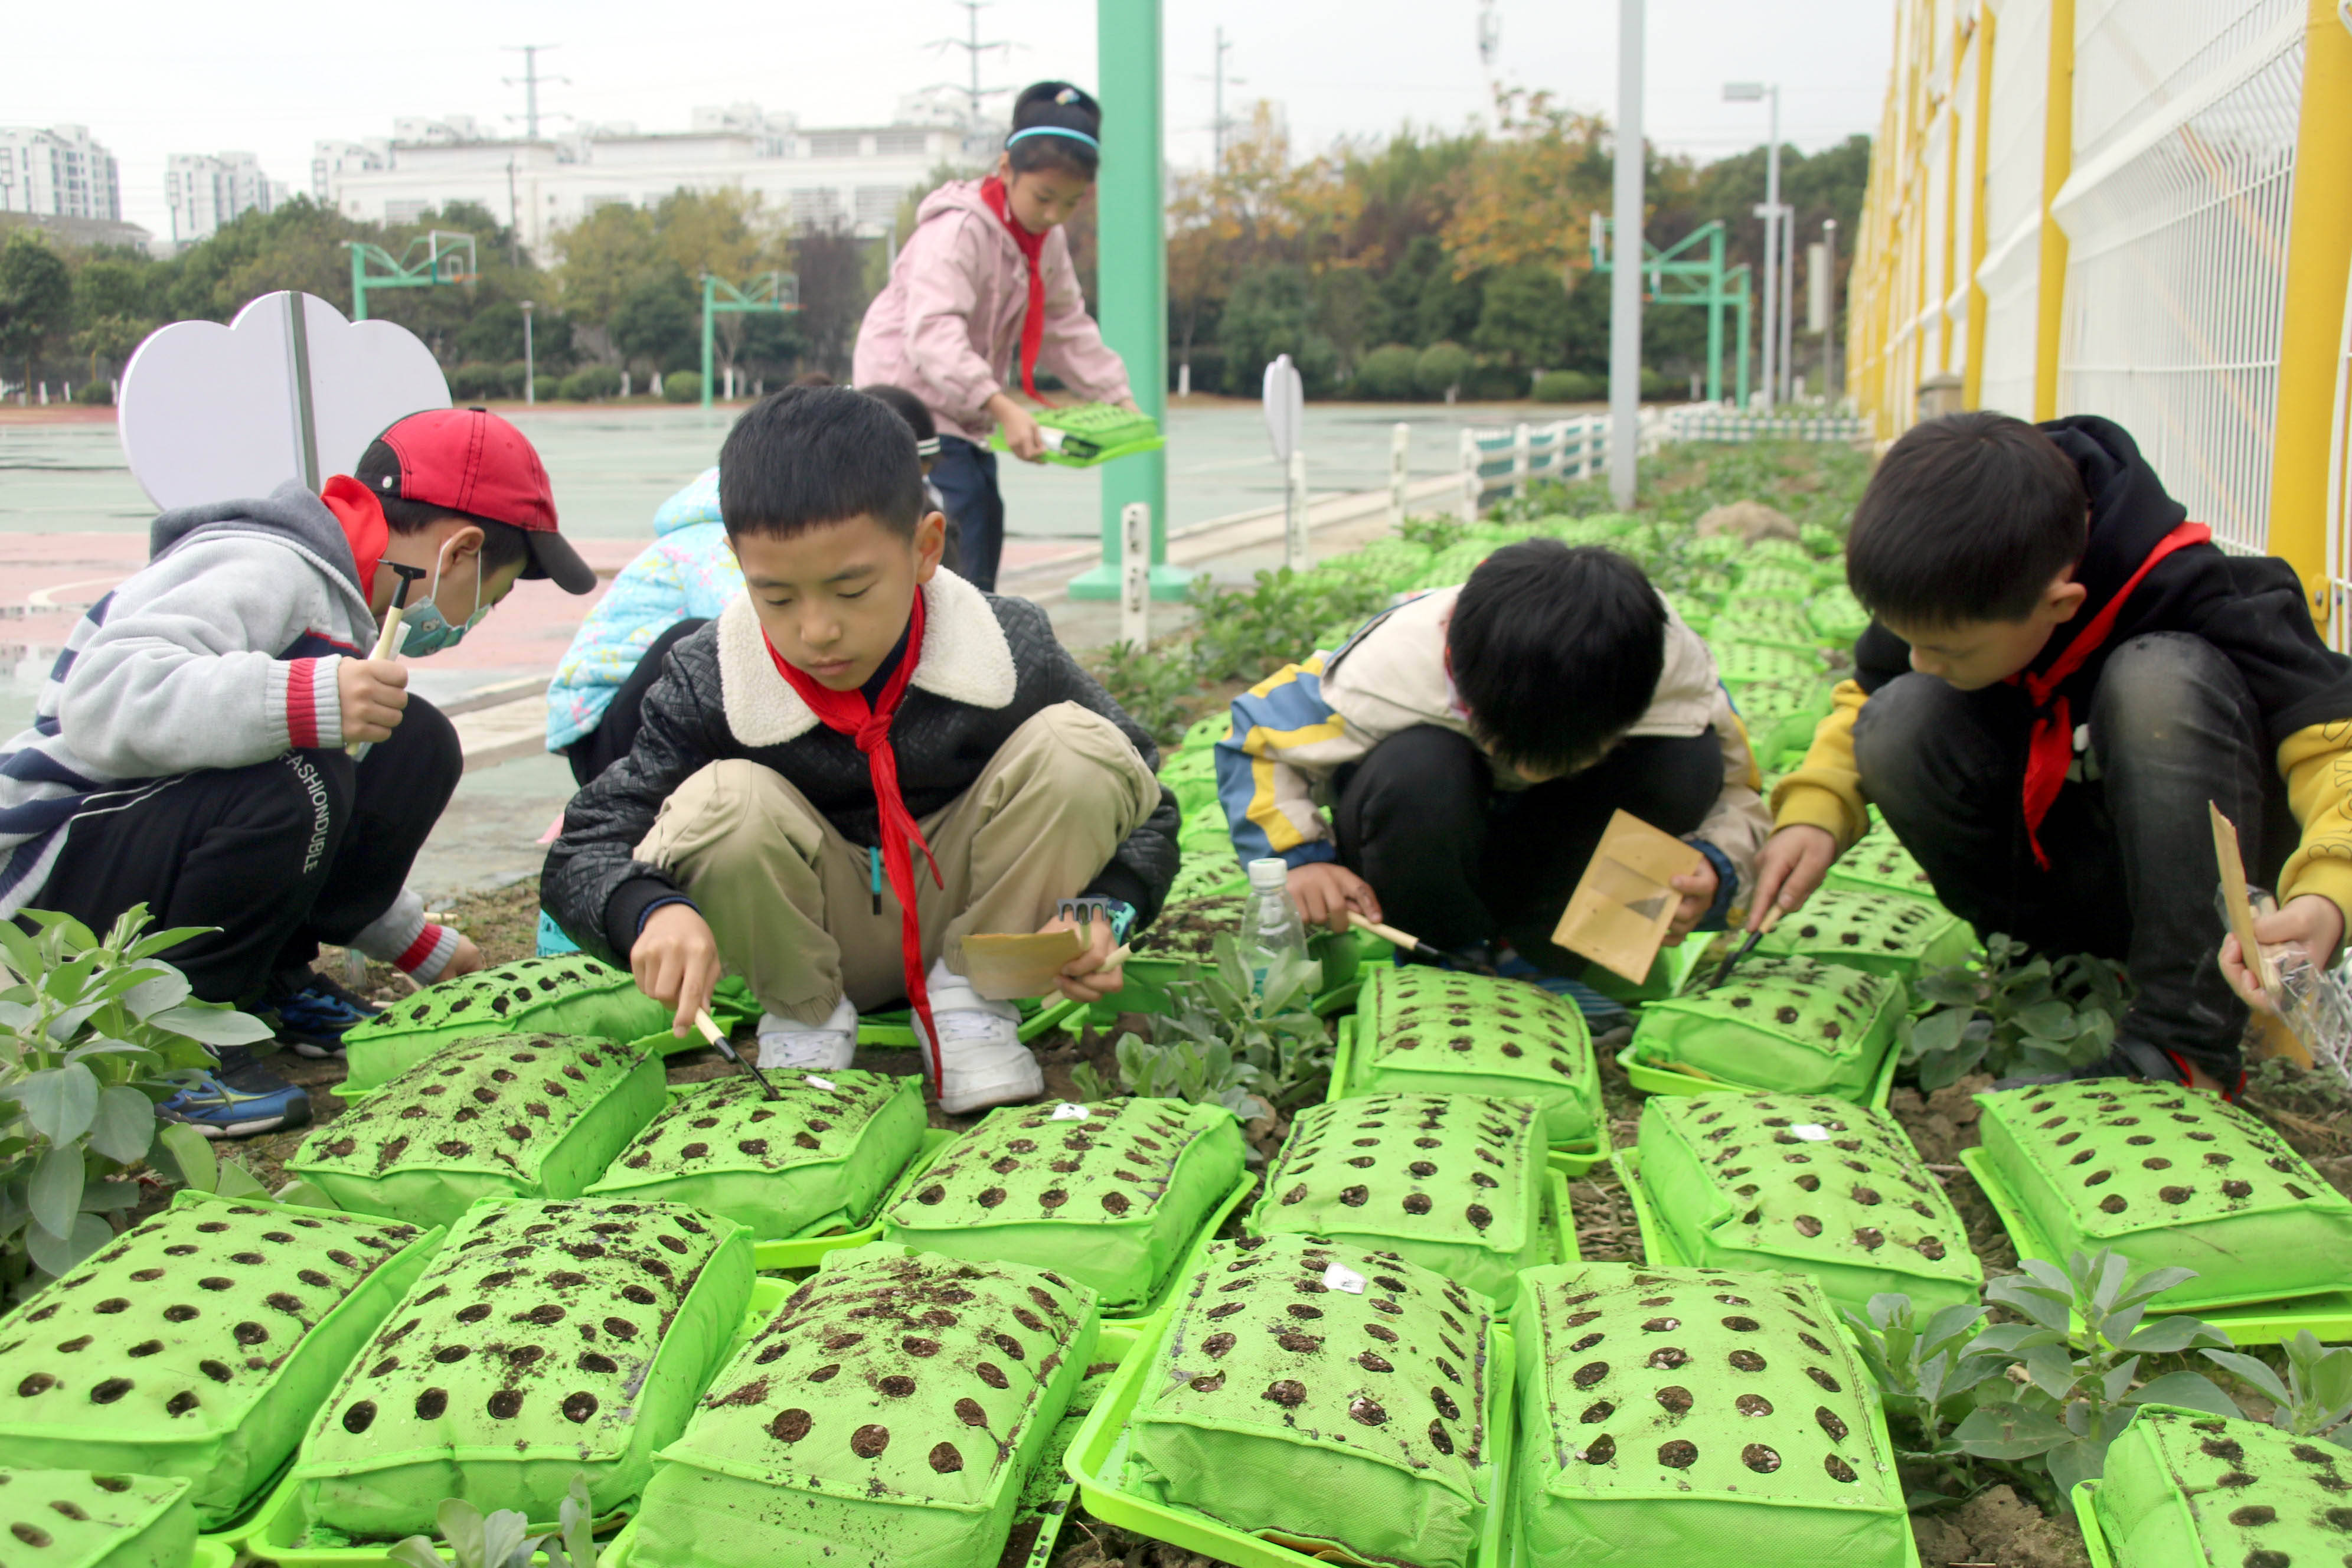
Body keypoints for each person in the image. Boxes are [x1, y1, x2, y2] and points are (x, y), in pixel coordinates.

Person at [541, 386, 1179, 1114]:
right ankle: (806, 1021)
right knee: (727, 803)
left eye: (851, 590)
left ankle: (970, 1007)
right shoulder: (711, 675)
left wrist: (1104, 910)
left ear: (925, 548)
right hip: (812, 937)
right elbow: (584, 843)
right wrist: (647, 910)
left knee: (1082, 750)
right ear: (737, 562)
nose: (817, 630)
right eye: (777, 598)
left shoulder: (1006, 647)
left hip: (972, 919)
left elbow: (1149, 801)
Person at [0, 407, 596, 1134]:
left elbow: (329, 835)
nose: (478, 617)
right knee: (299, 772)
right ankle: (175, 1044)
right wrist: (303, 697)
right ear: (461, 551)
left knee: (415, 741)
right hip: (52, 872)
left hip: (147, 851)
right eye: (492, 595)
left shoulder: (344, 607)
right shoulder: (263, 564)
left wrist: (423, 947)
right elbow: (102, 697)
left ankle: (268, 985)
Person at [1748, 411, 2352, 1092]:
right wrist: (1816, 810)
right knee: (1896, 720)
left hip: (2198, 898)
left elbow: (2335, 747)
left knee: (2158, 685)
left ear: (2061, 605)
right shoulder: (1958, 573)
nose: (1919, 659)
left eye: (1948, 649)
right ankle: (2050, 978)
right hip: (2061, 870)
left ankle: (2183, 1044)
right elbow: (1871, 691)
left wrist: (2330, 890)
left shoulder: (2205, 596)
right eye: (1908, 638)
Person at [1214, 538, 1771, 1023]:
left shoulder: (1676, 678)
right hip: (1437, 841)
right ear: (1460, 678)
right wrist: (1302, 860)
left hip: (1568, 854)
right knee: (1418, 768)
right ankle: (1447, 955)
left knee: (1686, 763)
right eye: (1512, 750)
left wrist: (1716, 866)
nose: (1533, 772)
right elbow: (1255, 738)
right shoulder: (1384, 675)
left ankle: (1548, 961)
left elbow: (1739, 792)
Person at [545, 384, 953, 785]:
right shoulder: (721, 545)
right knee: (725, 643)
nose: (818, 631)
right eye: (779, 597)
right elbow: (746, 637)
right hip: (610, 733)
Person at [852, 80, 1142, 592]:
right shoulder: (957, 232)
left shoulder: (1043, 241)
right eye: (1044, 197)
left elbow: (1065, 325)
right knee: (953, 528)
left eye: (1070, 203)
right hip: (907, 407)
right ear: (1007, 170)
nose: (1053, 215)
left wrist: (1117, 396)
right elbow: (934, 335)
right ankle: (944, 647)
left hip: (965, 409)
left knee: (980, 516)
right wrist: (1002, 404)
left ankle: (969, 639)